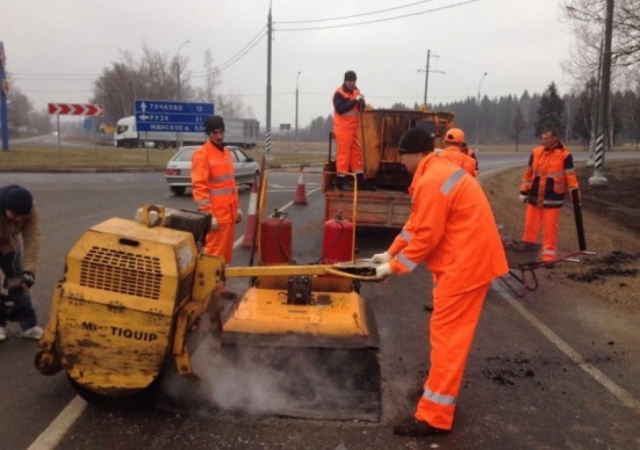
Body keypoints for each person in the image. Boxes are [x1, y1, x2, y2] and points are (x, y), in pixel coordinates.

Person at [371, 127, 508, 436]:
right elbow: (418, 223)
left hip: (465, 266)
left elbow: (428, 237)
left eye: (402, 156)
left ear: (416, 153)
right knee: (445, 334)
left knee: (448, 338)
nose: (400, 162)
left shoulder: (432, 180)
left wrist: (393, 267)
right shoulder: (435, 173)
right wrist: (390, 252)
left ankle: (434, 415)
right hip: (465, 262)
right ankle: (436, 394)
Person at [519, 128, 580, 262]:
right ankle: (526, 256)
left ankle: (548, 258)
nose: (543, 141)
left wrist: (576, 198)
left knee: (550, 230)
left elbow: (571, 178)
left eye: (546, 138)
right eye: (542, 138)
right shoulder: (536, 152)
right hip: (534, 198)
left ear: (554, 139)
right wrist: (523, 191)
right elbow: (528, 173)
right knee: (530, 227)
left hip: (553, 199)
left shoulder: (565, 156)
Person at [191, 115, 243, 265]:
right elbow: (200, 187)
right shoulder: (202, 155)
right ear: (208, 134)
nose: (219, 136)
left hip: (229, 214)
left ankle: (221, 287)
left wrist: (237, 208)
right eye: (215, 133)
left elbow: (230, 184)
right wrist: (209, 215)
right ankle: (210, 288)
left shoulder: (226, 153)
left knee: (225, 257)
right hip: (216, 218)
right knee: (213, 256)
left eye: (221, 132)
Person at [0, 184, 44, 341]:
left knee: (18, 282)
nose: (19, 219)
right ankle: (0, 325)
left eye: (22, 216)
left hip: (10, 245)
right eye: (15, 215)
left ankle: (29, 326)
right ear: (5, 207)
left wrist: (29, 272)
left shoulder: (30, 210)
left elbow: (32, 237)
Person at [332, 70, 366, 190]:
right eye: (350, 80)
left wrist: (362, 103)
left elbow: (360, 108)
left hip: (354, 128)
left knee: (356, 153)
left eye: (354, 80)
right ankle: (341, 179)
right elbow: (341, 109)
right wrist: (355, 101)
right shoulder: (339, 93)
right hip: (343, 129)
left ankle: (359, 177)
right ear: (345, 81)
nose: (352, 83)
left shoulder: (357, 92)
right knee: (344, 154)